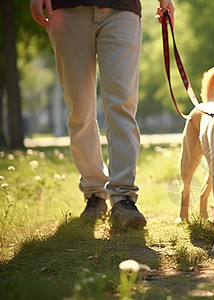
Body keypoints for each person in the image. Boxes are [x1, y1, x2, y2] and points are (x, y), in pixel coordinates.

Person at [30, 0, 175, 228]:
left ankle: (123, 198)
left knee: (122, 105)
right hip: (67, 8)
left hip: (122, 8)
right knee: (79, 108)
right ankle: (95, 193)